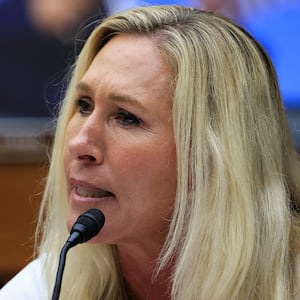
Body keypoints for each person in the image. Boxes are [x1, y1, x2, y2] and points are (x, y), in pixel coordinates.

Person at [1, 5, 300, 300]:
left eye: (126, 117)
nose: (79, 143)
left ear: (213, 156)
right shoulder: (46, 286)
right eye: (84, 105)